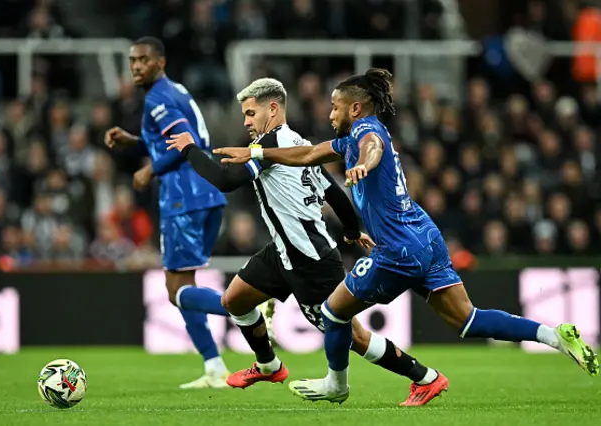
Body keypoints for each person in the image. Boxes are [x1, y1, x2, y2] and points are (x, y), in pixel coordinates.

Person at [212, 68, 600, 404]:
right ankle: (553, 336)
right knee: (468, 320)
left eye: (335, 107)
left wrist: (364, 165)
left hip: (398, 250)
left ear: (356, 108)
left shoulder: (365, 131)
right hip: (424, 235)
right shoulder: (348, 140)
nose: (330, 114)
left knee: (333, 311)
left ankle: (336, 384)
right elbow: (309, 155)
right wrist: (259, 155)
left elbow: (373, 148)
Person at [167, 77, 448, 406]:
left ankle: (426, 377)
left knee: (352, 335)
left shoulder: (268, 149)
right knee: (235, 300)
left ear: (273, 109)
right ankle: (269, 365)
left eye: (250, 113)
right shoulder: (296, 143)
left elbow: (225, 181)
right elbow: (334, 194)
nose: (245, 121)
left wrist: (188, 148)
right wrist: (352, 230)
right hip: (281, 251)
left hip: (310, 259)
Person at [103, 37, 230, 389]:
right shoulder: (174, 91)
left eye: (143, 60)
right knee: (182, 284)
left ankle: (245, 306)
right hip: (207, 191)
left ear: (160, 62)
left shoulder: (157, 97)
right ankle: (214, 366)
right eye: (132, 60)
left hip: (182, 197)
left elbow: (184, 140)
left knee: (176, 290)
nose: (136, 67)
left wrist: (151, 169)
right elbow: (172, 136)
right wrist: (136, 140)